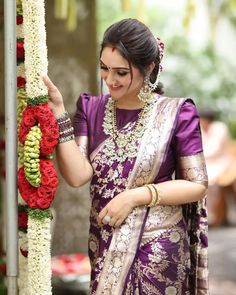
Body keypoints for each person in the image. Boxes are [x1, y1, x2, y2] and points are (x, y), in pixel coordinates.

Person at [44, 18, 209, 295]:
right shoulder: (91, 107)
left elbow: (197, 184)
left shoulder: (177, 113)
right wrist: (60, 113)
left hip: (159, 250)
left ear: (149, 68)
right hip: (106, 243)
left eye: (121, 72)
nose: (110, 80)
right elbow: (77, 175)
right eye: (104, 68)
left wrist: (134, 196)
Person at [200, 110, 236, 225]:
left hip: (224, 163)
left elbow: (214, 149)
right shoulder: (200, 129)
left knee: (210, 181)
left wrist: (194, 154)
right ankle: (209, 214)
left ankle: (213, 215)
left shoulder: (219, 128)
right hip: (207, 164)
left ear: (208, 120)